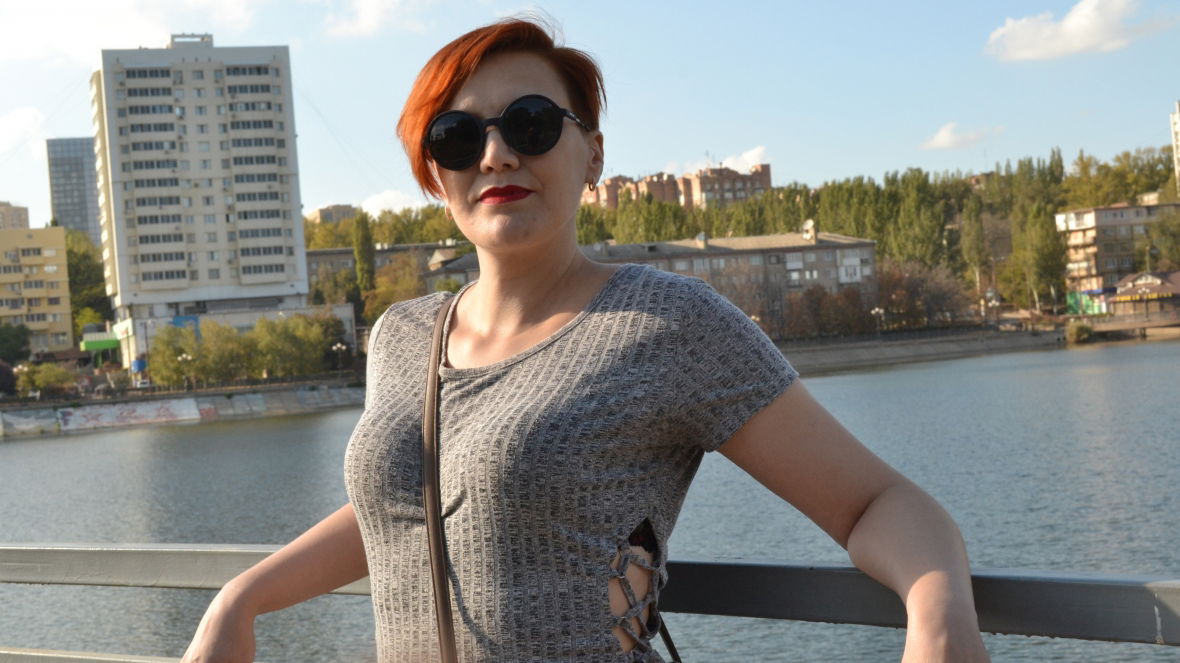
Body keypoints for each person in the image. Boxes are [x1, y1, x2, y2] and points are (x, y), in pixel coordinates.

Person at [181, 17, 991, 663]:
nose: (496, 153)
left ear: (593, 152)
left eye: (531, 124)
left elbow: (876, 503)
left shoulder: (666, 323)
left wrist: (939, 617)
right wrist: (242, 598)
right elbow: (409, 511)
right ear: (436, 175)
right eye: (458, 137)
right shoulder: (403, 336)